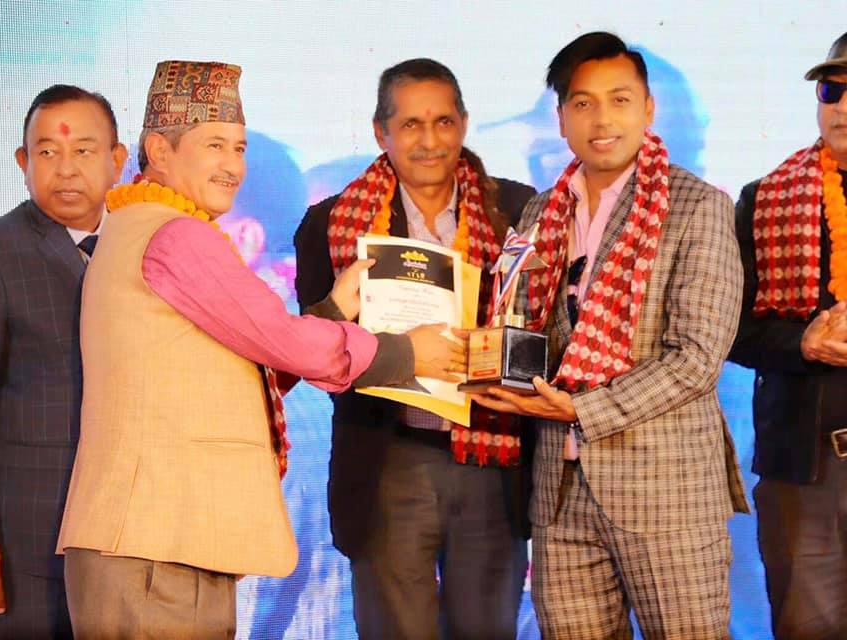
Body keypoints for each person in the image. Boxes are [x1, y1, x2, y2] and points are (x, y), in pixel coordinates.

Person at [55, 59, 457, 639]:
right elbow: (279, 340)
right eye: (214, 145)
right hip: (154, 545)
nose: (232, 166)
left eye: (239, 148)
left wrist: (331, 312)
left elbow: (246, 364)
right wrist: (407, 355)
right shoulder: (175, 234)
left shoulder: (133, 225)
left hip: (150, 541)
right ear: (159, 150)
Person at [472, 32, 749, 638]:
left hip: (666, 495)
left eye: (619, 100)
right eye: (583, 103)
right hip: (560, 494)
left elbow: (697, 357)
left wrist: (581, 408)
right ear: (561, 118)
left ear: (648, 109)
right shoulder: (540, 213)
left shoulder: (697, 206)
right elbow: (527, 329)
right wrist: (487, 369)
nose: (602, 120)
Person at [294, 58, 536, 639]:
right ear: (380, 132)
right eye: (410, 125)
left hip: (491, 456)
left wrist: (498, 353)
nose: (430, 141)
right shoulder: (330, 223)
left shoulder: (520, 210)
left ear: (464, 124)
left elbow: (553, 330)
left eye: (443, 122)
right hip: (388, 458)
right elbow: (311, 347)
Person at [0, 84, 128, 638]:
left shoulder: (141, 246)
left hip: (126, 537)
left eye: (84, 151)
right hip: (27, 545)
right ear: (23, 162)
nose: (66, 169)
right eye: (47, 152)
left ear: (117, 161)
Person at [728, 32, 847, 640]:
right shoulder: (765, 200)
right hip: (807, 469)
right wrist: (803, 343)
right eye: (832, 90)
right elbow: (731, 330)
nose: (843, 106)